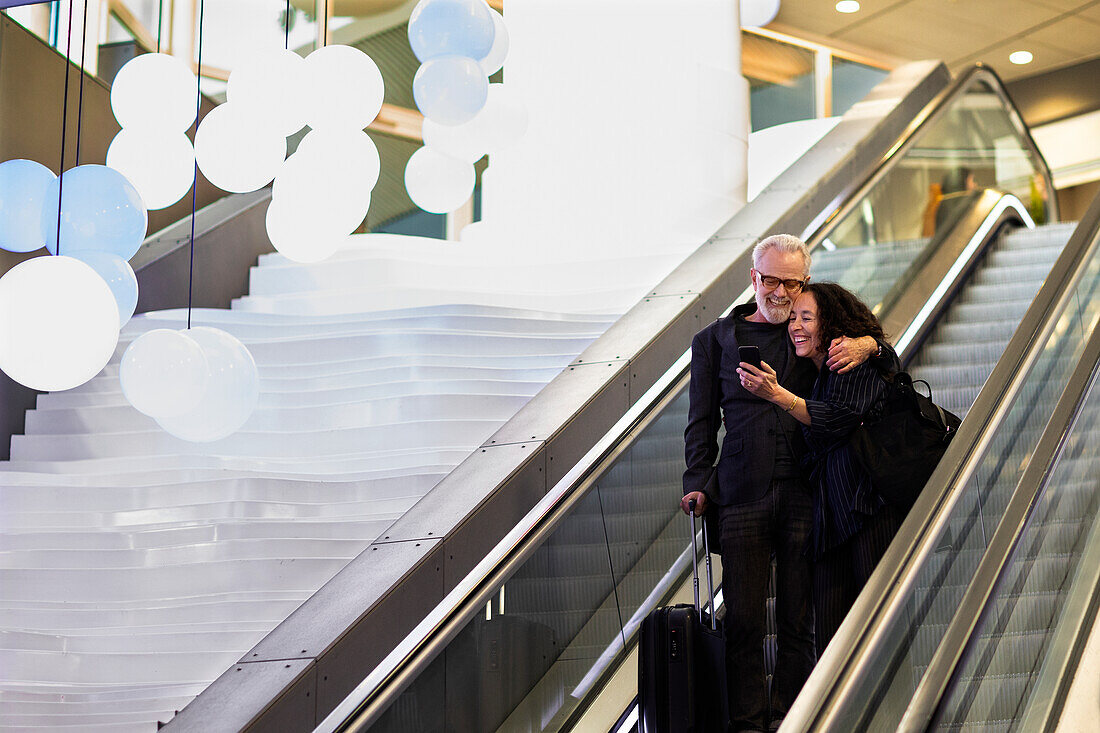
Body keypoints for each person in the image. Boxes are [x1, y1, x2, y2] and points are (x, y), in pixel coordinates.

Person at [680, 235, 882, 733]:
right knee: (745, 622)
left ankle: (791, 718)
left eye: (793, 282)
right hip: (740, 494)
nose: (781, 292)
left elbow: (879, 348)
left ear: (804, 283)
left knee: (798, 621)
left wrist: (868, 343)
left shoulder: (819, 327)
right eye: (771, 280)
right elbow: (700, 422)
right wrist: (698, 480)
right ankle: (748, 724)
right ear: (754, 278)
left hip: (806, 490)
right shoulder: (713, 341)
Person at [738, 282, 903, 654]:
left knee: (878, 621)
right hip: (830, 518)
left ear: (830, 323)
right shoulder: (815, 376)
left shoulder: (850, 363)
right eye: (793, 318)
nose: (795, 325)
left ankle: (890, 709)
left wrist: (777, 394)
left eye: (806, 317)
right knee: (830, 634)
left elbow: (837, 418)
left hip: (866, 509)